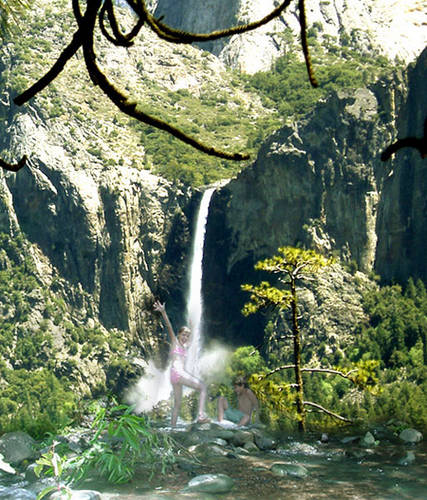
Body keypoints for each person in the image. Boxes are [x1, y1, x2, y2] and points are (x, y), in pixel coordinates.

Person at [154, 300, 209, 427]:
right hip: (178, 372)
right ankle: (200, 416)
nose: (185, 337)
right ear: (179, 335)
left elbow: (194, 337)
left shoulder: (185, 346)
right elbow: (169, 327)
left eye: (187, 336)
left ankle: (172, 428)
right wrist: (163, 312)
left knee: (177, 404)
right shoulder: (175, 343)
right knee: (202, 387)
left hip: (174, 376)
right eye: (183, 334)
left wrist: (193, 326)